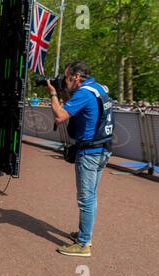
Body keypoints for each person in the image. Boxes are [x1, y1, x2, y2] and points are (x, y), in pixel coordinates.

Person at [47, 60, 113, 257]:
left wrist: (53, 93)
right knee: (91, 196)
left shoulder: (83, 93)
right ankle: (84, 234)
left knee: (86, 199)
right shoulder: (98, 88)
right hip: (103, 148)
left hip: (90, 152)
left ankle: (84, 244)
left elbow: (59, 116)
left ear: (76, 77)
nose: (65, 82)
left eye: (67, 78)